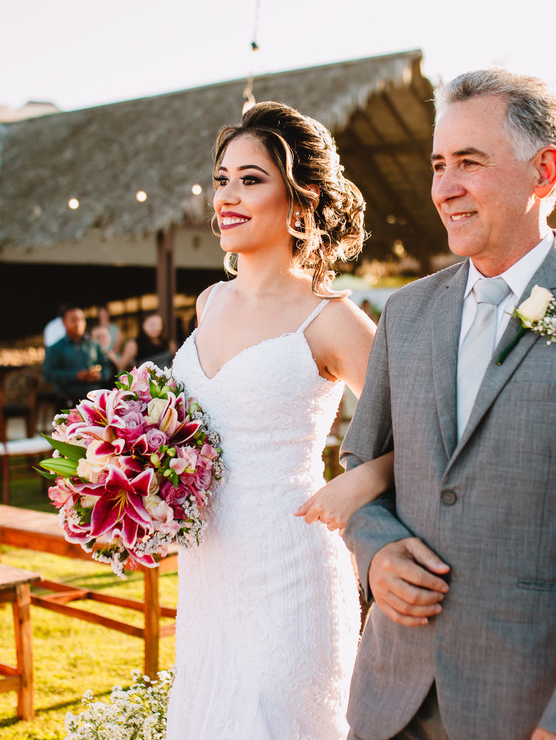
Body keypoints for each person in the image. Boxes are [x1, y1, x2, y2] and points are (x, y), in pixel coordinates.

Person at [339, 68, 556, 740]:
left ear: (545, 170)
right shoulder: (406, 314)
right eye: (439, 165)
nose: (445, 187)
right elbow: (364, 457)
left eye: (469, 163)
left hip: (537, 706)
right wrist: (376, 551)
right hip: (392, 703)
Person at [166, 101, 389, 739]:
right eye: (221, 179)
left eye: (251, 179)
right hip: (208, 566)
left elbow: (428, 429)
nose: (227, 196)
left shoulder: (330, 319)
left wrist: (361, 480)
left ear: (301, 201)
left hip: (290, 564)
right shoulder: (209, 303)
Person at [42, 305, 116, 403]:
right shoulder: (55, 348)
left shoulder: (94, 345)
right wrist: (75, 376)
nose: (78, 323)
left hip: (94, 401)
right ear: (64, 322)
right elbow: (48, 374)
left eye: (81, 319)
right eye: (73, 320)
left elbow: (108, 368)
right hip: (67, 401)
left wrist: (99, 375)